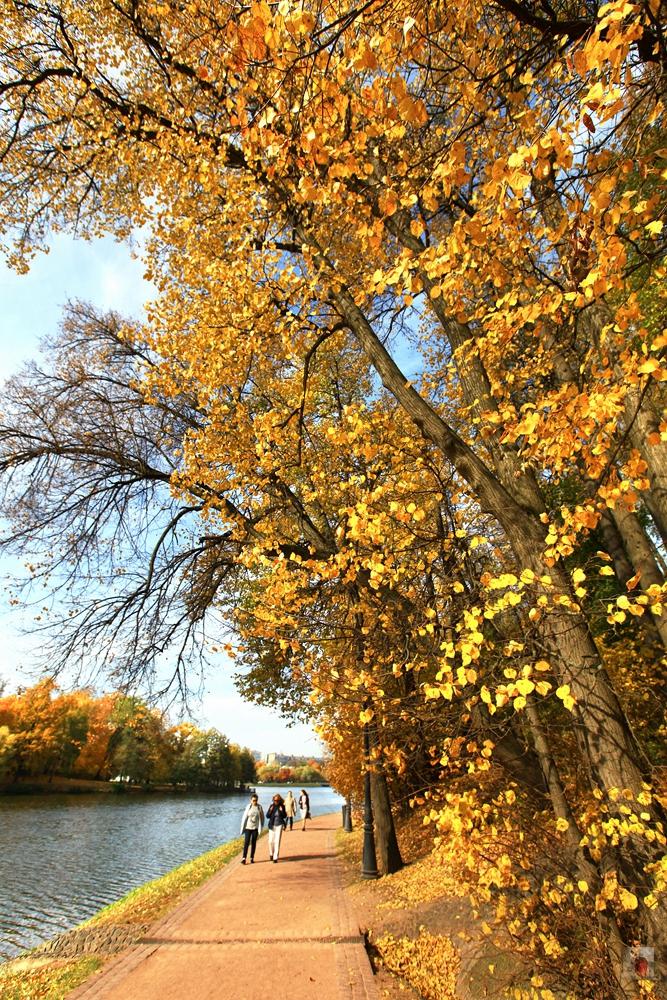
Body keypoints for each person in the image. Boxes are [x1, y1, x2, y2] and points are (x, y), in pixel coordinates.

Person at [240, 793, 264, 865]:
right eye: (253, 800)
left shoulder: (259, 807)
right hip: (248, 827)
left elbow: (262, 817)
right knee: (246, 842)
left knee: (253, 843)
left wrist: (261, 826)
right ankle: (244, 858)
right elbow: (244, 817)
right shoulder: (248, 807)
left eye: (256, 800)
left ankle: (252, 857)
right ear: (250, 800)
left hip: (255, 828)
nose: (254, 802)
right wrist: (242, 826)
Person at [266, 793, 288, 862]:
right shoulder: (271, 806)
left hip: (279, 825)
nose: (276, 801)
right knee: (270, 841)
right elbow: (267, 816)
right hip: (272, 825)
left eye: (277, 800)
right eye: (274, 800)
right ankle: (271, 853)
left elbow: (284, 816)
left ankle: (275, 857)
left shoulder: (282, 806)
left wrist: (282, 811)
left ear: (279, 800)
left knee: (277, 841)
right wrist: (270, 810)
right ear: (273, 800)